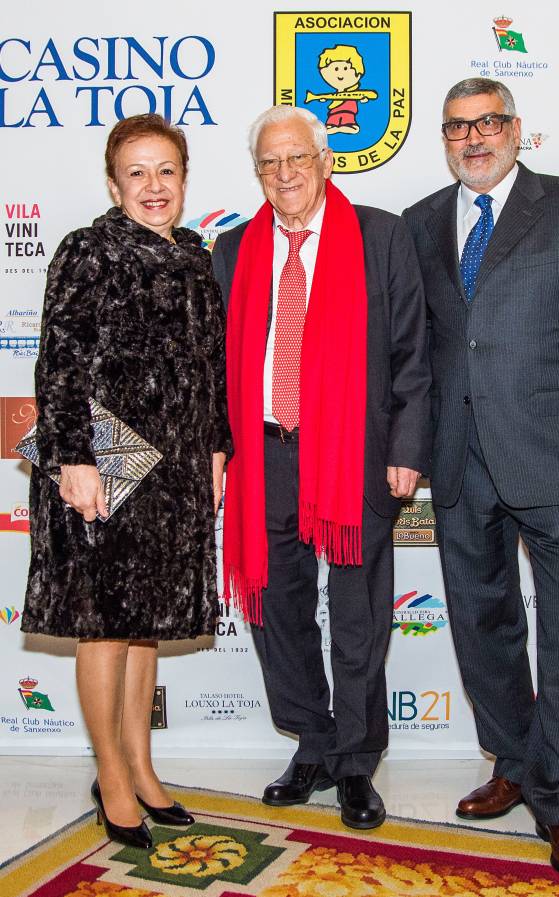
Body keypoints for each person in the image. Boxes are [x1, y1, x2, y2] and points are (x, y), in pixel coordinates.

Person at [402, 78, 559, 880]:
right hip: (460, 458)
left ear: (516, 129)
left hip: (558, 451)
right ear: (445, 138)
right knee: (483, 625)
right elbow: (418, 350)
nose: (473, 138)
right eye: (457, 127)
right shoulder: (420, 222)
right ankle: (514, 761)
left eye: (488, 122)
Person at [212, 105, 430, 830]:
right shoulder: (232, 249)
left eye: (297, 158)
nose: (285, 174)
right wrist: (217, 449)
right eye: (270, 163)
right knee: (277, 608)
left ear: (325, 162)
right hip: (264, 453)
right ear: (258, 173)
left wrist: (406, 449)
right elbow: (215, 367)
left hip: (354, 453)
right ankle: (312, 740)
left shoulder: (379, 235)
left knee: (359, 613)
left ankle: (356, 760)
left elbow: (412, 353)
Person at [21, 113, 229, 849]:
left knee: (147, 627)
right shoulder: (89, 250)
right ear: (114, 184)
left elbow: (211, 366)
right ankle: (110, 774)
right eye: (136, 172)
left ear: (184, 179)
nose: (153, 185)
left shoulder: (196, 256)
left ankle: (141, 764)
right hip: (106, 467)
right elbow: (60, 363)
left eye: (166, 170)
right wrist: (72, 460)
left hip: (175, 472)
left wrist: (216, 447)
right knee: (105, 625)